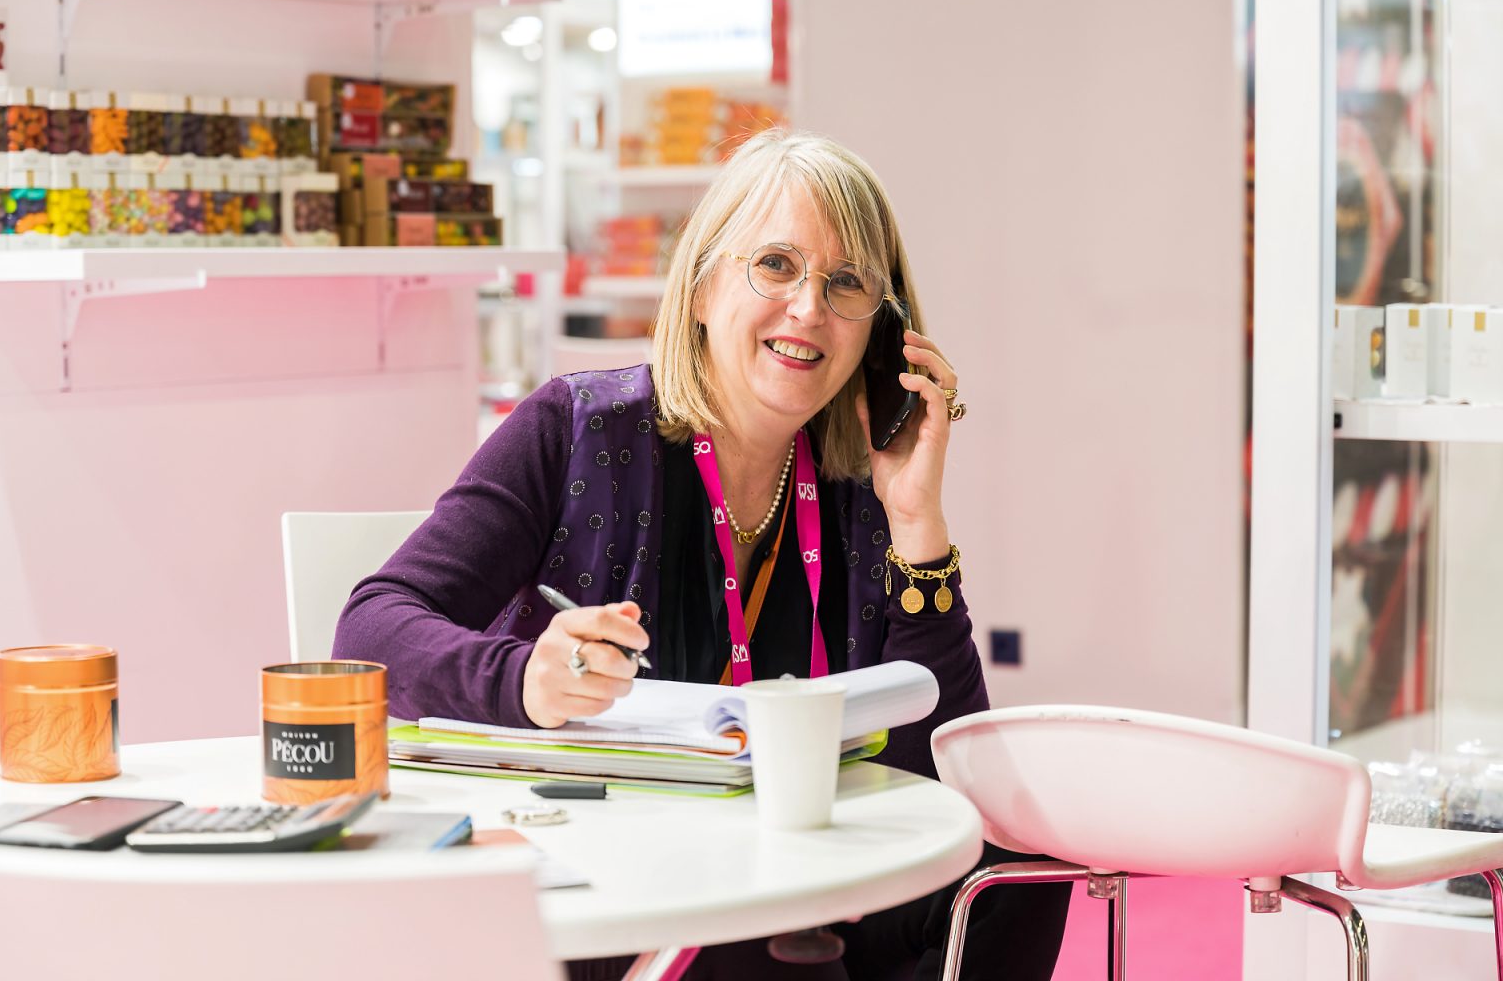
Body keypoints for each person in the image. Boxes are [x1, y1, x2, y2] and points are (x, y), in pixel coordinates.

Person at [335, 127, 1069, 980]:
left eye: (846, 283)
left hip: (796, 865)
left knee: (1025, 868)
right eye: (777, 266)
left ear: (882, 330)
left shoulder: (857, 483)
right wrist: (526, 678)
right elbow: (369, 629)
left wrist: (917, 520)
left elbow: (939, 764)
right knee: (761, 944)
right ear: (702, 286)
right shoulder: (576, 430)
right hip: (620, 872)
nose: (809, 309)